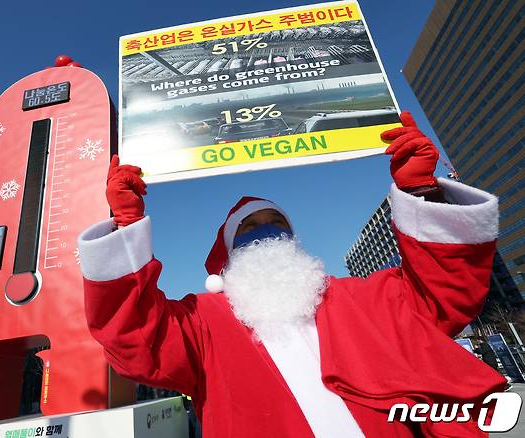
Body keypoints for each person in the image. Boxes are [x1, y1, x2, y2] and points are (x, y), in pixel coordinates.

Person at [77, 112, 506, 437]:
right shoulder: (202, 321)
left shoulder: (366, 297)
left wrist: (420, 191)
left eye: (275, 223)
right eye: (248, 226)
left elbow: (446, 293)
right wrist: (126, 227)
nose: (265, 231)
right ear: (228, 252)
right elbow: (133, 337)